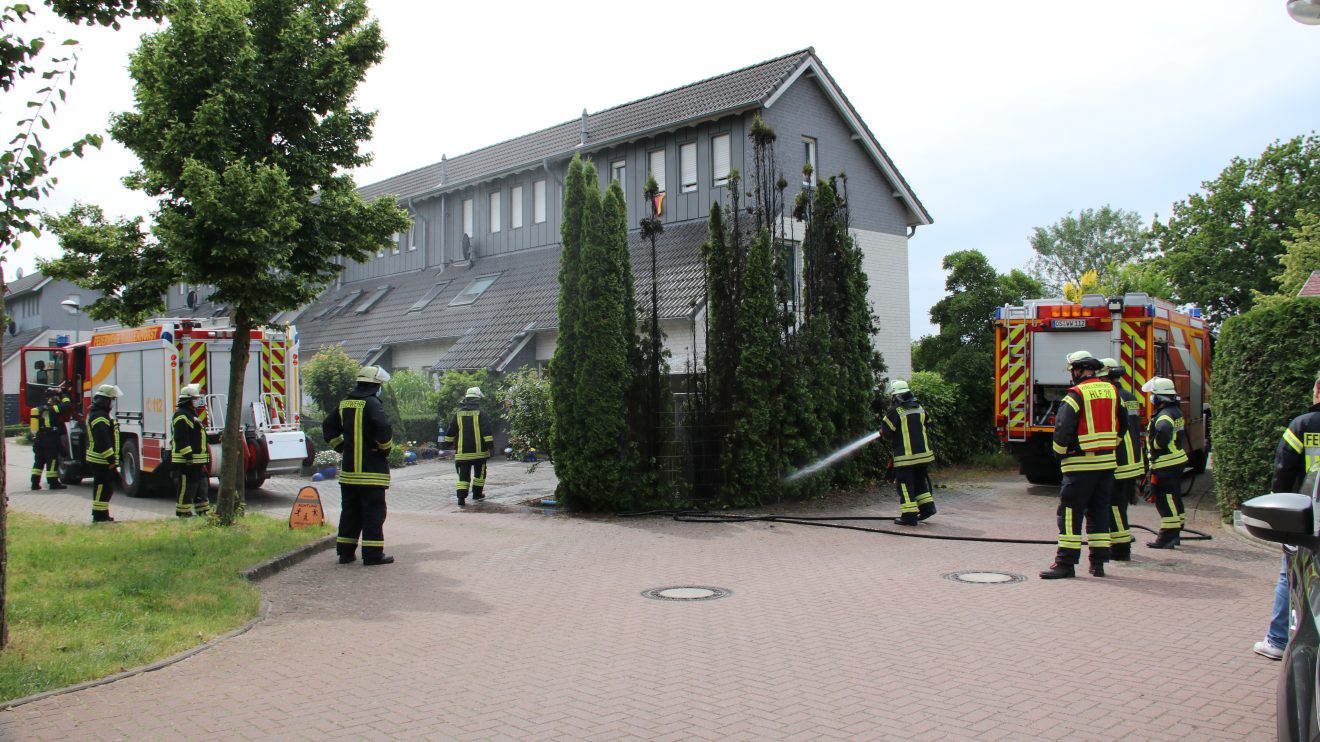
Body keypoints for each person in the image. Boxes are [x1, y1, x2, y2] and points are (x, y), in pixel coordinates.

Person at [1254, 371, 1320, 661]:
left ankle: (1278, 640)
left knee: (1290, 575)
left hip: (1309, 517)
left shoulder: (1302, 425)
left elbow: (1283, 471)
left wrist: (1278, 511)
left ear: (1317, 390)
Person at [1040, 350, 1120, 579]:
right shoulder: (1112, 392)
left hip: (1079, 466)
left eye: (1073, 370)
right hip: (1106, 465)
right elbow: (1122, 425)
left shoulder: (1075, 395)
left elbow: (1062, 430)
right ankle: (1098, 563)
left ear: (1080, 369)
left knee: (1069, 515)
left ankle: (1065, 563)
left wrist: (1059, 454)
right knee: (1099, 513)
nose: (1072, 374)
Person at [323, 365, 395, 566]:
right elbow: (384, 428)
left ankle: (345, 553)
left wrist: (341, 446)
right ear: (375, 385)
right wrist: (384, 449)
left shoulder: (344, 404)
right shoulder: (373, 404)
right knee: (374, 514)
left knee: (350, 513)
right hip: (371, 474)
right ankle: (372, 555)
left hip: (348, 474)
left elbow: (328, 427)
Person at [1101, 358, 1143, 561]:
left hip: (1119, 461)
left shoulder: (1112, 397)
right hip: (1133, 459)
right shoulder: (1130, 396)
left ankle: (1119, 549)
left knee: (1115, 507)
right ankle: (1119, 543)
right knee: (1121, 506)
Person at [880, 379, 936, 525]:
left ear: (896, 396)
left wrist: (883, 432)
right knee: (919, 482)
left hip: (906, 457)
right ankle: (927, 509)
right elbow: (927, 425)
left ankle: (909, 516)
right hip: (923, 455)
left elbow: (886, 433)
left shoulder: (894, 411)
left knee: (904, 485)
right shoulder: (919, 408)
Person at [1143, 377, 1188, 549]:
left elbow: (1163, 431)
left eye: (1152, 394)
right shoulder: (1175, 411)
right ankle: (1176, 530)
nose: (1151, 397)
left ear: (1160, 397)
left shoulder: (1164, 415)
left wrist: (1155, 445)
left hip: (1165, 463)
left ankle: (1167, 536)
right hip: (1176, 460)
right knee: (1174, 495)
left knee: (1165, 500)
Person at [442, 387, 494, 507]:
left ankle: (461, 498)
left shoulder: (457, 414)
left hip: (462, 453)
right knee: (479, 475)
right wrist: (491, 448)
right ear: (477, 399)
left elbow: (450, 431)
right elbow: (487, 432)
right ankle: (477, 494)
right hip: (479, 453)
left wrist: (448, 444)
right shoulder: (481, 413)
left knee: (463, 476)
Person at [172, 384, 212, 518]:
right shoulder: (181, 415)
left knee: (200, 485)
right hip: (187, 461)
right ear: (188, 399)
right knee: (187, 486)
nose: (198, 400)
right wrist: (188, 456)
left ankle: (203, 511)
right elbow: (181, 438)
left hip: (197, 461)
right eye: (195, 398)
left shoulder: (191, 415)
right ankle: (183, 512)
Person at [86, 384, 123, 523]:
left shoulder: (100, 414)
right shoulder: (100, 417)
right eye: (112, 399)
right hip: (101, 460)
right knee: (103, 488)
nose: (113, 402)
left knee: (105, 488)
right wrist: (111, 459)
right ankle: (99, 516)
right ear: (105, 400)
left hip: (102, 460)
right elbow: (103, 441)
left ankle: (102, 514)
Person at [30, 389, 70, 490]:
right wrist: (62, 393)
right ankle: (53, 483)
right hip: (50, 439)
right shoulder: (53, 409)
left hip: (39, 439)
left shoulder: (38, 409)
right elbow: (67, 405)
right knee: (52, 461)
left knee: (38, 462)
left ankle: (34, 484)